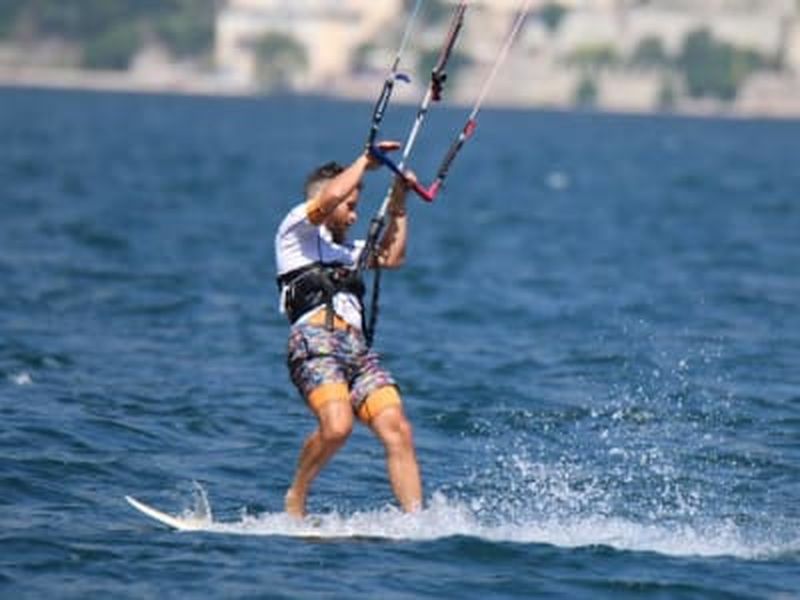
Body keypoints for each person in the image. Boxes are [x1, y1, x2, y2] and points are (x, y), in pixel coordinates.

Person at [274, 141, 422, 518]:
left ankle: (416, 522)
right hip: (315, 343)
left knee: (398, 429)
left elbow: (392, 257)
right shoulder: (295, 234)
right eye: (351, 206)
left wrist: (399, 204)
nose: (355, 216)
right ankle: (296, 497)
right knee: (337, 427)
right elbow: (330, 197)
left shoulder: (350, 252)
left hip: (357, 351)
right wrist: (365, 161)